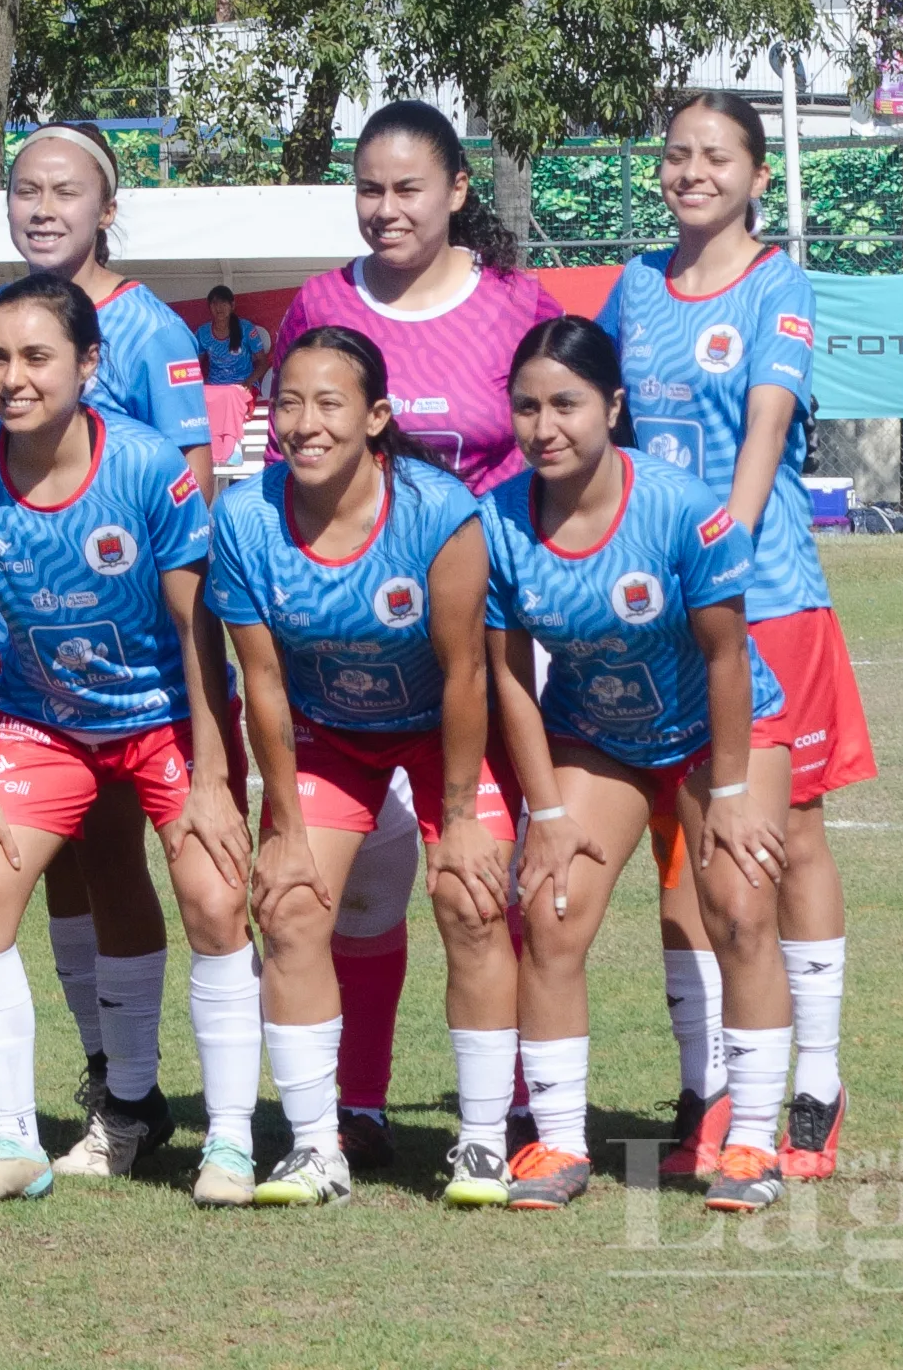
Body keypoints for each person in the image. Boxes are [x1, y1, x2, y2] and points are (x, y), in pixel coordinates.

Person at [0, 272, 258, 1207]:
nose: (11, 378)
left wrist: (216, 773)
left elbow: (200, 629)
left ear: (88, 364)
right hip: (40, 724)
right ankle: (12, 1142)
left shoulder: (147, 466)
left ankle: (227, 1144)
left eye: (36, 357)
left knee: (215, 896)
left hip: (162, 722)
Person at [270, 99, 568, 1169]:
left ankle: (521, 1103)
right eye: (369, 189)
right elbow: (290, 458)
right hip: (346, 648)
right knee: (353, 885)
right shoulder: (315, 303)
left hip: (484, 646)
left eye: (408, 188)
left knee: (491, 874)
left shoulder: (512, 303)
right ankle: (355, 1103)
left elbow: (560, 440)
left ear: (454, 192)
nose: (386, 209)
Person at [599, 92, 875, 1181]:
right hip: (661, 611)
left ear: (758, 176)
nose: (691, 171)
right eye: (676, 154)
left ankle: (816, 1083)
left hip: (766, 604)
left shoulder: (779, 284)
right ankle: (714, 1086)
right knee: (689, 854)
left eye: (716, 156)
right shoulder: (633, 286)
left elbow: (765, 430)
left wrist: (717, 554)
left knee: (787, 840)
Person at [0, 121, 218, 1182]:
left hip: (138, 677)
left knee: (122, 872)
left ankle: (129, 1091)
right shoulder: (2, 327)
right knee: (61, 877)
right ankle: (104, 1073)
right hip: (32, 679)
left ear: (108, 206)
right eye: (24, 192)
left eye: (64, 192)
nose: (42, 208)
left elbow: (192, 495)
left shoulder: (147, 329)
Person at [482, 315, 796, 1214]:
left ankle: (750, 1145)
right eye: (528, 407)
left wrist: (731, 794)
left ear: (613, 406)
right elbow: (507, 676)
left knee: (738, 906)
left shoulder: (680, 509)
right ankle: (559, 1146)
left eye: (568, 405)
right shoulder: (498, 521)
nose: (546, 427)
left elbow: (726, 655)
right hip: (596, 735)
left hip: (719, 731)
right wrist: (545, 815)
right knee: (551, 908)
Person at [209, 327, 515, 1208]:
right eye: (288, 403)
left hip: (438, 730)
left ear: (376, 417)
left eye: (329, 403)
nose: (303, 424)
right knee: (291, 905)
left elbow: (466, 673)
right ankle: (316, 1149)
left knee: (471, 897)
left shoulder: (437, 509)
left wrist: (458, 817)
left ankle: (483, 1144)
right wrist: (286, 830)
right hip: (329, 736)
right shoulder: (244, 516)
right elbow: (260, 682)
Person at [193, 285, 270, 387]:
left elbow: (263, 362)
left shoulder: (246, 328)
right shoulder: (203, 332)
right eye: (214, 303)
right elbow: (194, 364)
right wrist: (201, 385)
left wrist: (249, 382)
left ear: (232, 305)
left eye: (223, 302)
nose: (218, 307)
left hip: (243, 386)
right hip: (215, 387)